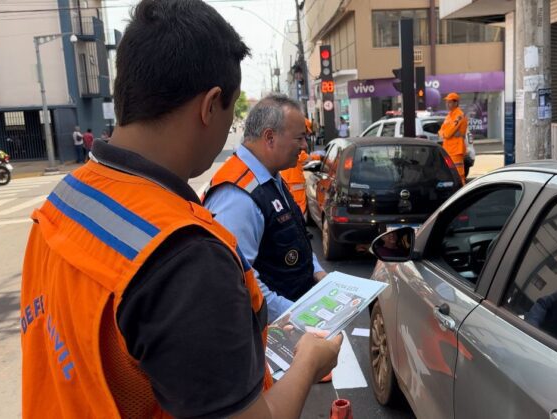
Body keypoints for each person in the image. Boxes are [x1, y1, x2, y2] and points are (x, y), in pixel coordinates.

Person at [20, 1, 341, 418]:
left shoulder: (66, 199)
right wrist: (309, 361)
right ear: (210, 106)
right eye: (230, 115)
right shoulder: (186, 256)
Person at [203, 94, 328, 323]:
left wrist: (317, 272)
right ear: (269, 137)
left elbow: (294, 237)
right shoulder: (237, 197)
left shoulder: (271, 178)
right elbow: (241, 282)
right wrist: (299, 317)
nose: (304, 147)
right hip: (272, 335)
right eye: (299, 138)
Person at [281, 119, 322, 217]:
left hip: (286, 180)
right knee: (299, 207)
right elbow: (305, 157)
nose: (307, 135)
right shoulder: (294, 147)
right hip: (295, 182)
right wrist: (320, 156)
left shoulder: (285, 142)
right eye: (306, 132)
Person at [438, 92, 468, 183]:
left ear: (456, 103)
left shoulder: (459, 115)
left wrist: (445, 133)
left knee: (459, 175)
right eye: (447, 102)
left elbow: (447, 133)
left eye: (450, 102)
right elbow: (440, 132)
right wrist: (444, 133)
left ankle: (462, 195)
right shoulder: (449, 116)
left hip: (456, 150)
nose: (447, 104)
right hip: (447, 149)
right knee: (450, 175)